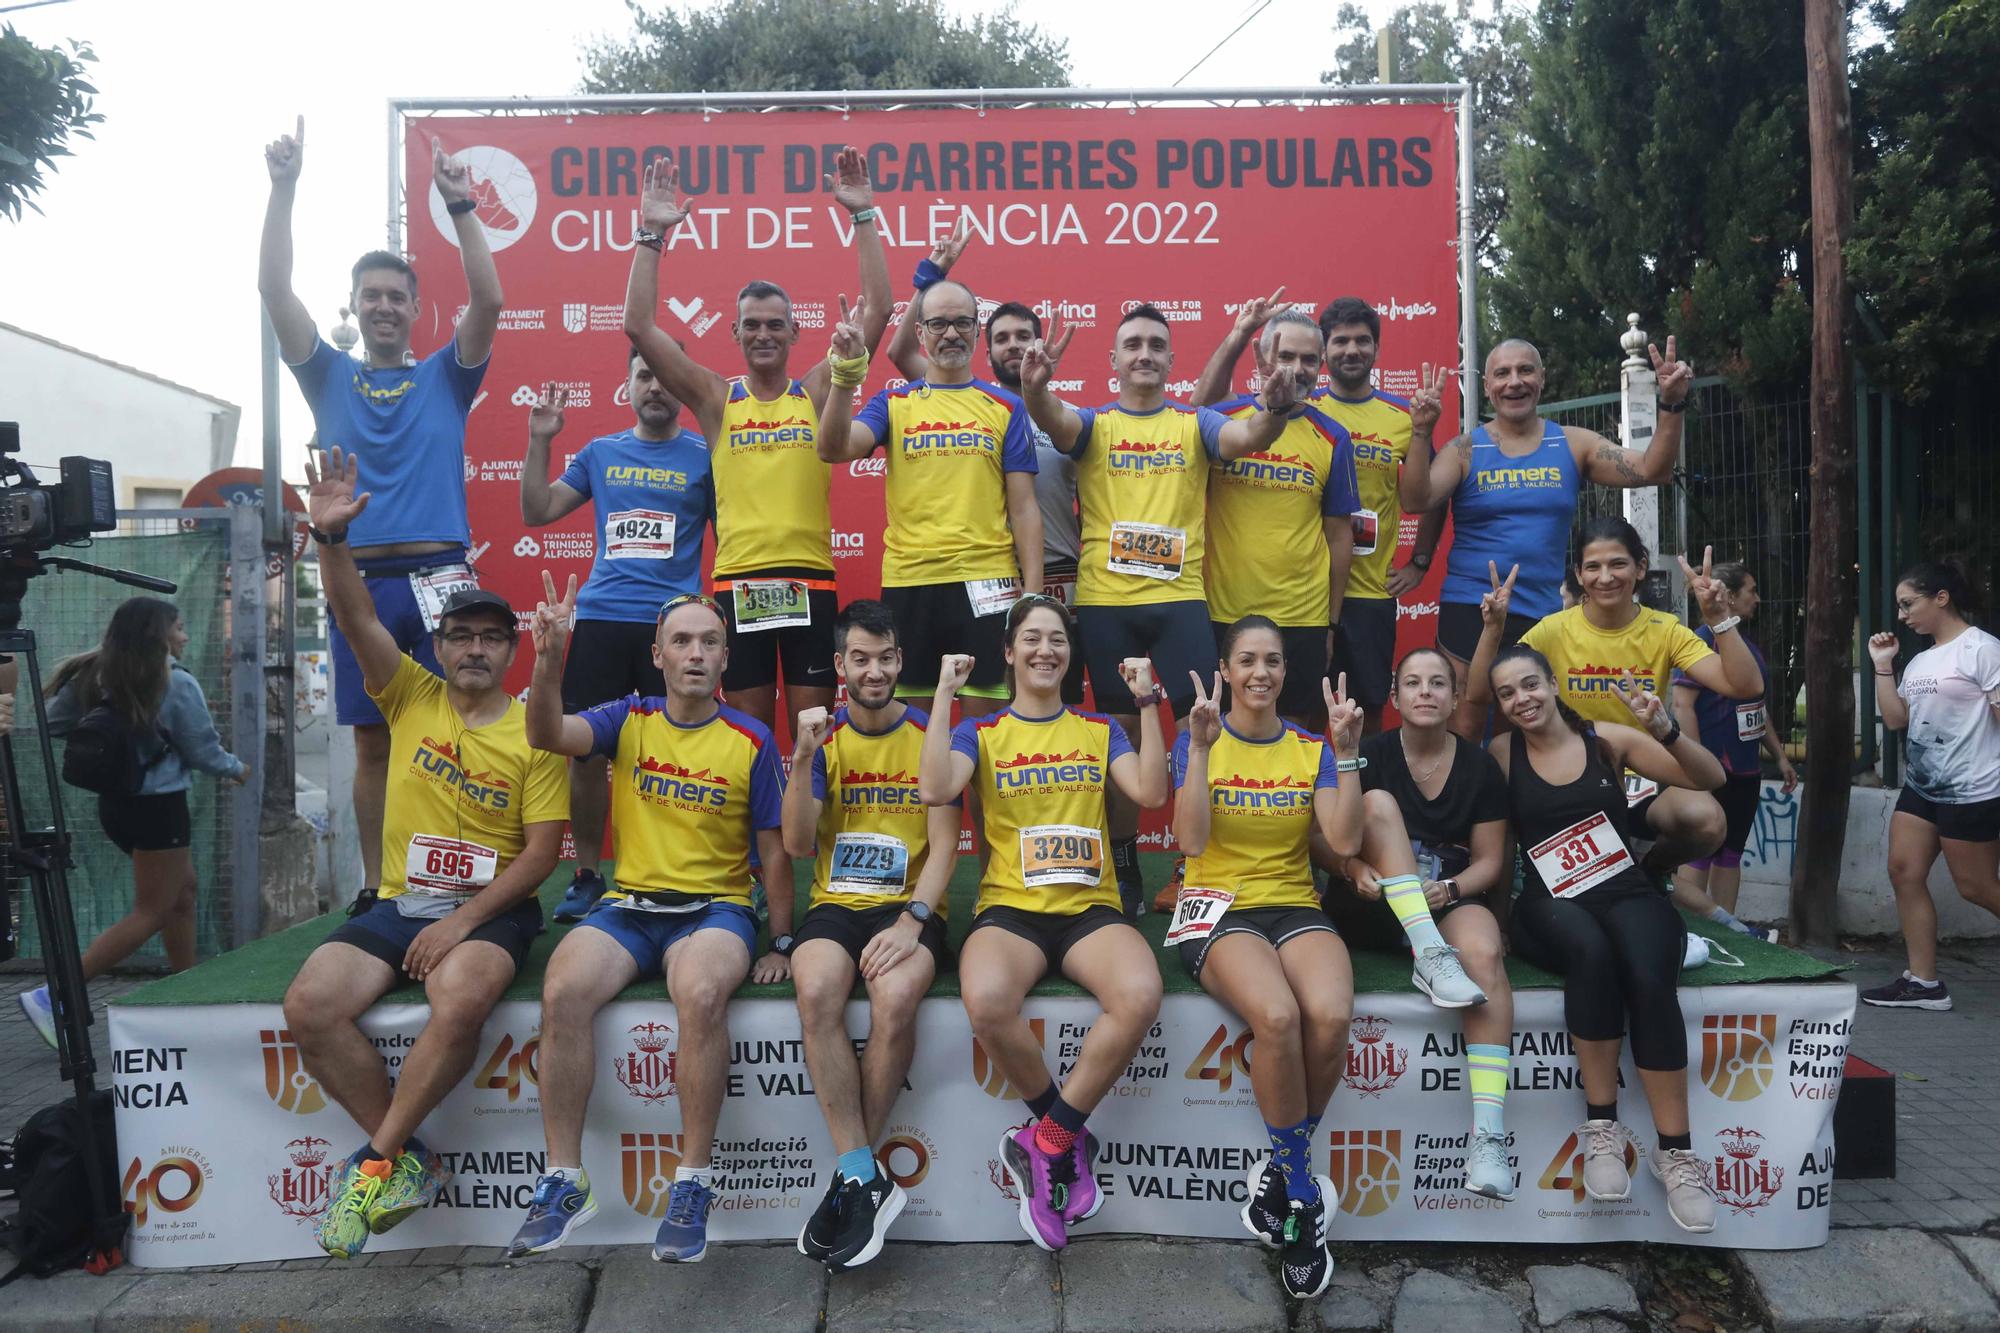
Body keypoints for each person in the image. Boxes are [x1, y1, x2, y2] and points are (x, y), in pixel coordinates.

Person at [280, 449, 566, 1260]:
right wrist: (332, 541)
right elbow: (357, 618)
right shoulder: (409, 691)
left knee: (463, 994)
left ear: (511, 652)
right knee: (309, 1004)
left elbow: (541, 854)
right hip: (401, 901)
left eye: (490, 638)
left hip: (491, 911)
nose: (474, 649)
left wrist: (465, 922)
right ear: (438, 646)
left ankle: (373, 1161)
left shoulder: (535, 729)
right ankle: (404, 1157)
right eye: (460, 635)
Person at [260, 118, 503, 911]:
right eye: (372, 296)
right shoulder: (325, 374)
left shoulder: (447, 374)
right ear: (355, 307)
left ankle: (463, 879)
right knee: (373, 740)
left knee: (457, 732)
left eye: (398, 296)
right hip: (358, 581)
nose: (385, 307)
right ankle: (374, 884)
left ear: (416, 307)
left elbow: (491, 297)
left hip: (440, 577)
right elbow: (273, 291)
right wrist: (284, 187)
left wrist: (461, 207)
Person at [508, 582, 789, 1263]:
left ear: (726, 658)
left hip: (715, 910)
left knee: (697, 993)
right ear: (657, 654)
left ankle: (692, 1183)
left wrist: (781, 938)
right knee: (562, 990)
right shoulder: (626, 718)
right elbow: (547, 733)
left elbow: (776, 853)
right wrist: (549, 659)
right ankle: (564, 1179)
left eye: (710, 642)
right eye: (682, 641)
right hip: (630, 906)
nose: (696, 653)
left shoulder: (751, 739)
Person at [1020, 304, 1303, 914]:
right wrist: (1035, 388)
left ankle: (1196, 863)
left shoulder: (1194, 423)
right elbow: (1054, 418)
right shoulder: (1094, 424)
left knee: (1208, 731)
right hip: (1107, 606)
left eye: (1156, 344)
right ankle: (1123, 866)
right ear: (1114, 360)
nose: (1144, 353)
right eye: (1133, 345)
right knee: (1122, 736)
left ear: (1172, 360)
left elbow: (1247, 435)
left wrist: (1274, 408)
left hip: (1179, 604)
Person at [919, 597, 1167, 1251]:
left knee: (1140, 994)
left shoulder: (1096, 730)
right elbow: (934, 785)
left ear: (1069, 653)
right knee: (988, 1000)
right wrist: (945, 693)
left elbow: (1151, 792)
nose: (1045, 650)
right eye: (1031, 638)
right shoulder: (984, 732)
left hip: (1089, 909)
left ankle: (1048, 1141)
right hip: (1010, 909)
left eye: (1056, 639)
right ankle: (1067, 1141)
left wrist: (1147, 705)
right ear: (1008, 651)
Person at [624, 151, 889, 737]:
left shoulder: (818, 389)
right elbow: (640, 326)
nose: (763, 333)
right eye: (752, 324)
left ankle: (808, 834)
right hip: (738, 585)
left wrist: (864, 216)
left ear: (796, 332)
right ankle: (757, 835)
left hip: (810, 583)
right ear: (735, 333)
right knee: (748, 738)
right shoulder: (716, 399)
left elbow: (880, 310)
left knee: (813, 735)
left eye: (775, 324)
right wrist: (651, 234)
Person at [1486, 645, 1727, 1233]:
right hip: (1550, 903)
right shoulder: (1500, 753)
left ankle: (1676, 1151)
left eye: (1530, 685)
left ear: (1551, 684)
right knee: (1591, 954)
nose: (1522, 700)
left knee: (1647, 971)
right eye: (1507, 693)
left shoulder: (1606, 741)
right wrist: (1494, 923)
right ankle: (1601, 1129)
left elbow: (1710, 778)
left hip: (1626, 892)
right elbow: (1493, 844)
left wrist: (1665, 729)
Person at [1168, 619, 1367, 1298]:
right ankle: (1303, 1200)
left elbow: (1342, 840)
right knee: (1278, 1016)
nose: (1261, 671)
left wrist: (1349, 752)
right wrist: (1198, 750)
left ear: (1286, 671)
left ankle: (1283, 1170)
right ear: (1225, 669)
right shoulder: (1197, 736)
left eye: (1273, 661)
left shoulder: (1311, 747)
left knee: (1333, 1011)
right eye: (1247, 660)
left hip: (1293, 904)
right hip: (1217, 907)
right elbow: (1189, 836)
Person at [1399, 337, 1694, 737]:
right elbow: (1417, 499)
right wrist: (1420, 432)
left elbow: (1651, 469)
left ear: (1542, 379)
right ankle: (1465, 800)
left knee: (1521, 727)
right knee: (1465, 722)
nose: (1514, 382)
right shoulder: (1465, 449)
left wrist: (1671, 404)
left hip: (1538, 611)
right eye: (1502, 374)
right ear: (1486, 386)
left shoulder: (1572, 444)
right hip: (1472, 602)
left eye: (1525, 370)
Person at [781, 600, 956, 1270]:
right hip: (836, 903)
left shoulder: (928, 736)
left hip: (908, 906)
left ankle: (850, 1180)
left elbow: (944, 848)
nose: (874, 669)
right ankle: (862, 1173)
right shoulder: (823, 740)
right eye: (861, 657)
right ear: (840, 665)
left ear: (900, 662)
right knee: (817, 986)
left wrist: (914, 920)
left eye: (885, 657)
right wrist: (800, 757)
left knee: (897, 996)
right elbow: (798, 843)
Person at [518, 350, 713, 921]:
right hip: (602, 619)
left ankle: (673, 868)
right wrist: (540, 442)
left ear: (682, 385)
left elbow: (736, 538)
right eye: (643, 375)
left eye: (664, 376)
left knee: (676, 755)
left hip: (672, 626)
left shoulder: (707, 457)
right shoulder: (599, 453)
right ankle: (585, 874)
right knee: (584, 755)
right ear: (626, 385)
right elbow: (536, 511)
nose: (655, 387)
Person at [1194, 294, 1445, 734]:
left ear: (1321, 362)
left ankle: (1339, 802)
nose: (1297, 367)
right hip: (1228, 609)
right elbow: (1196, 407)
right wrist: (1237, 334)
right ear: (1263, 357)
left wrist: (1416, 562)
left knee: (1311, 729)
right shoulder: (1225, 420)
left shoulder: (1335, 433)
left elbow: (1369, 519)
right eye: (1286, 355)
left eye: (1308, 358)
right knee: (1223, 730)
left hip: (1317, 610)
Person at [1324, 643, 1517, 1200]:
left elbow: (1490, 862)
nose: (1426, 692)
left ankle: (1487, 1136)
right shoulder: (1370, 751)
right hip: (1370, 905)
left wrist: (1452, 887)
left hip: (1444, 899)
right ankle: (1428, 955)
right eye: (1413, 682)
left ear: (1457, 698)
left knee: (1482, 954)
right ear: (1395, 696)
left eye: (1438, 683)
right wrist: (1354, 865)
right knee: (1378, 801)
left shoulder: (1480, 765)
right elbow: (1325, 840)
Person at [1472, 518, 1763, 885]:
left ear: (1640, 567)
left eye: (1618, 564)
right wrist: (1493, 628)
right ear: (1578, 573)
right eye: (1593, 566)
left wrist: (1719, 618)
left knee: (1707, 820)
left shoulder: (1665, 629)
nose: (1605, 577)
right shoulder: (1553, 630)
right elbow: (1481, 694)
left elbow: (1745, 686)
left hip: (1641, 780)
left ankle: (1652, 873)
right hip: (1566, 783)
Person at [19, 600, 248, 1046]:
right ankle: (56, 995)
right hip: (160, 810)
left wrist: (112, 740)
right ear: (159, 636)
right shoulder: (175, 681)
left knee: (182, 892)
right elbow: (203, 750)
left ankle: (187, 990)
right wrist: (237, 769)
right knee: (153, 910)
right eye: (179, 629)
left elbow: (54, 723)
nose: (184, 637)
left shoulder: (97, 674)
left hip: (117, 806)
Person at [818, 279, 1044, 717]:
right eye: (938, 323)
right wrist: (845, 375)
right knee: (914, 736)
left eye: (962, 322)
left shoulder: (1005, 406)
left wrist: (1032, 601)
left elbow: (1025, 508)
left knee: (988, 736)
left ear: (977, 332)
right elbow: (833, 448)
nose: (951, 334)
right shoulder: (894, 402)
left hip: (989, 583)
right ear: (920, 332)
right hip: (911, 584)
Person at [886, 222, 1086, 704]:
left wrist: (1035, 597)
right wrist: (932, 275)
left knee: (1046, 707)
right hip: (986, 572)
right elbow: (901, 351)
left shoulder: (1073, 420)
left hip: (1057, 573)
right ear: (985, 345)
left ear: (1042, 344)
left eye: (1024, 336)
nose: (1014, 346)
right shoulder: (955, 394)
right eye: (1002, 338)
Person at [1861, 559, 2000, 1010]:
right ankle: (1923, 983)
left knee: (1976, 887)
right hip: (1922, 788)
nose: (1901, 615)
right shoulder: (1920, 660)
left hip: (1972, 789)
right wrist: (1883, 666)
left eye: (1908, 604)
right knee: (1903, 871)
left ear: (1941, 598)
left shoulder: (1982, 649)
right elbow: (1898, 720)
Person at [1671, 562, 1797, 930]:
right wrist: (1698, 767)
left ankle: (1730, 934)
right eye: (1751, 590)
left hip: (1746, 770)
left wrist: (1780, 756)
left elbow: (1755, 706)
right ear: (1727, 593)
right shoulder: (1699, 641)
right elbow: (1683, 704)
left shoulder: (1744, 646)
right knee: (1700, 851)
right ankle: (1689, 931)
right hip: (1714, 768)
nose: (1757, 598)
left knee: (1730, 852)